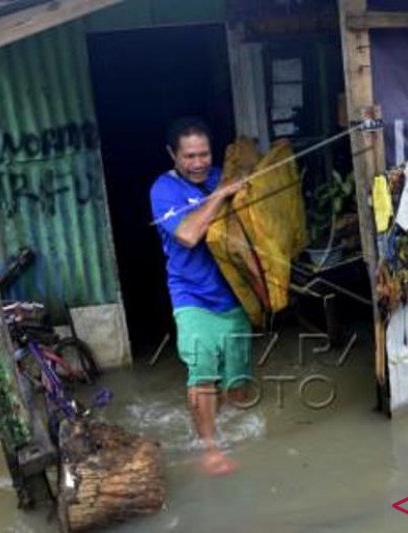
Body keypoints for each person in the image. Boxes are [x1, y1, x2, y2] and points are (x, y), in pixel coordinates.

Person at [150, 118, 252, 476]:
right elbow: (189, 235)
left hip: (234, 296)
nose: (198, 163)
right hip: (191, 296)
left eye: (204, 154)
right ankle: (209, 448)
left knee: (237, 381)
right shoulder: (163, 190)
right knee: (202, 370)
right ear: (173, 155)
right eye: (189, 156)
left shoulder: (220, 175)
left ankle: (224, 428)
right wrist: (220, 194)